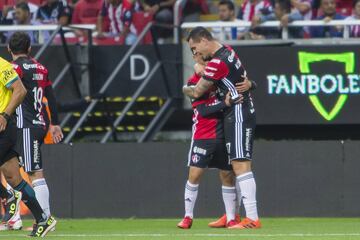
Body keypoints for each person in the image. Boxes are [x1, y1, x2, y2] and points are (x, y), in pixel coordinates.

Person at [183, 27, 261, 229]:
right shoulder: (226, 50)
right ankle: (232, 216)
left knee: (240, 164)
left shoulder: (217, 62)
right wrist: (251, 84)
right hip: (235, 113)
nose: (195, 53)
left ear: (204, 41)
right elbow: (239, 78)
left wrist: (186, 88)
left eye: (195, 48)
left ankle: (252, 218)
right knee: (231, 167)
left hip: (238, 113)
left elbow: (198, 91)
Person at [5, 31, 63, 231]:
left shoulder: (14, 69)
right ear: (29, 48)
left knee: (34, 173)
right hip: (37, 123)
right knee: (13, 171)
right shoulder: (41, 67)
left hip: (25, 126)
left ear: (8, 49)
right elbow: (51, 96)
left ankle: (44, 219)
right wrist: (55, 123)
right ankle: (14, 218)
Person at [177, 53, 242, 229]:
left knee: (227, 175)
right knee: (194, 175)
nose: (207, 64)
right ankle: (188, 216)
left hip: (223, 136)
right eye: (203, 61)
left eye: (209, 62)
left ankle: (230, 218)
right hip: (202, 135)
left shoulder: (221, 80)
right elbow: (204, 110)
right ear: (197, 61)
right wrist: (225, 104)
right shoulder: (193, 83)